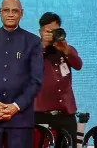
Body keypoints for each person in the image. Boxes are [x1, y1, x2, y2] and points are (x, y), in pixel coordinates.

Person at [0, 0, 44, 148]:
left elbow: (36, 80)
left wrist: (15, 106)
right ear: (0, 13)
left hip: (20, 119)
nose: (10, 14)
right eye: (6, 10)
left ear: (21, 14)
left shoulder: (33, 42)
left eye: (15, 11)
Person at [34, 12, 83, 148]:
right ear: (40, 32)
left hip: (65, 115)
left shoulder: (67, 49)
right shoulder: (33, 51)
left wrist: (66, 50)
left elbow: (78, 65)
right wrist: (42, 46)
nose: (52, 35)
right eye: (48, 31)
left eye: (55, 31)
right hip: (40, 116)